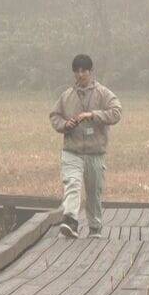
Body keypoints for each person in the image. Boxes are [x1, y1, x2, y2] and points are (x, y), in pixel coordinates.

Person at [49, 54, 122, 238]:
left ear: (91, 72)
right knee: (72, 184)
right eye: (77, 71)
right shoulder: (66, 96)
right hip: (71, 150)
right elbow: (55, 116)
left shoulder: (103, 93)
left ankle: (95, 228)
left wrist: (92, 115)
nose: (80, 75)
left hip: (95, 152)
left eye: (84, 71)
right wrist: (65, 125)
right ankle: (70, 221)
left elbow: (116, 113)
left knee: (93, 192)